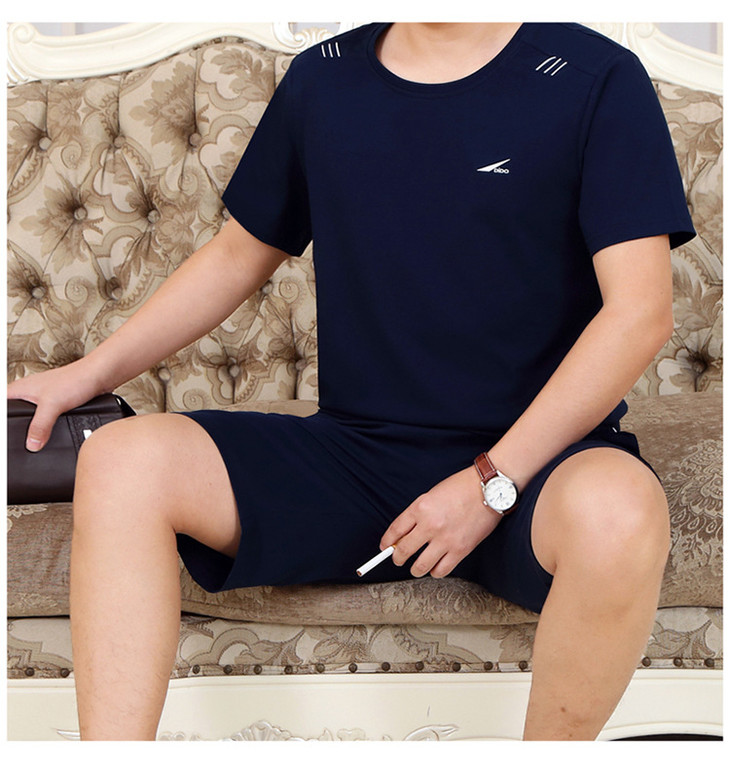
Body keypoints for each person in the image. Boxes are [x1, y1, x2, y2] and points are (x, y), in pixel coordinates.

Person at [7, 22, 696, 741]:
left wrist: (489, 482)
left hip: (540, 469)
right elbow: (239, 255)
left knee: (619, 511)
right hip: (357, 459)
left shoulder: (596, 76)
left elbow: (640, 314)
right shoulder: (324, 77)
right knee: (121, 460)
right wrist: (86, 374)